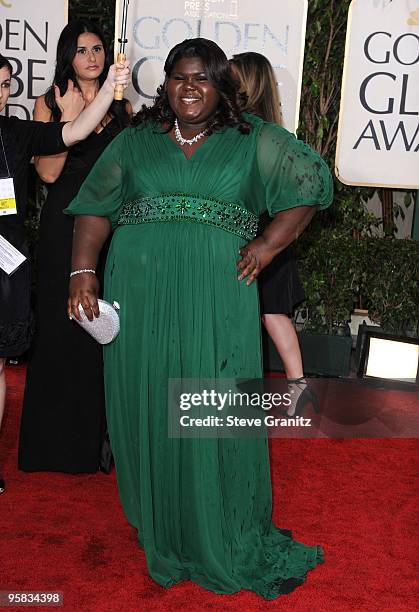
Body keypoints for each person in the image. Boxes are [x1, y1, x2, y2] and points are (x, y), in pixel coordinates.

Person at [65, 39, 332, 599]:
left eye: (204, 79)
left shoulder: (250, 139)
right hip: (139, 293)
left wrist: (267, 244)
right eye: (180, 77)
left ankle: (218, 524)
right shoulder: (135, 140)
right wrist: (82, 271)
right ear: (164, 83)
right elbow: (94, 205)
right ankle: (163, 524)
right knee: (147, 398)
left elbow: (311, 180)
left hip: (217, 295)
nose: (190, 88)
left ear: (222, 88)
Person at [0, 53, 130, 493]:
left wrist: (110, 85)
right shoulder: (38, 109)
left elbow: (70, 132)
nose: (0, 95)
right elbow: (55, 166)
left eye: (4, 85)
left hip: (8, 256)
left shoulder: (13, 131)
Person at [230, 52, 317, 417]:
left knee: (271, 312)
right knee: (269, 313)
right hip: (262, 232)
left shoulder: (258, 134)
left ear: (246, 84)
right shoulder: (269, 132)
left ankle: (298, 389)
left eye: (230, 77)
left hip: (263, 234)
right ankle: (297, 388)